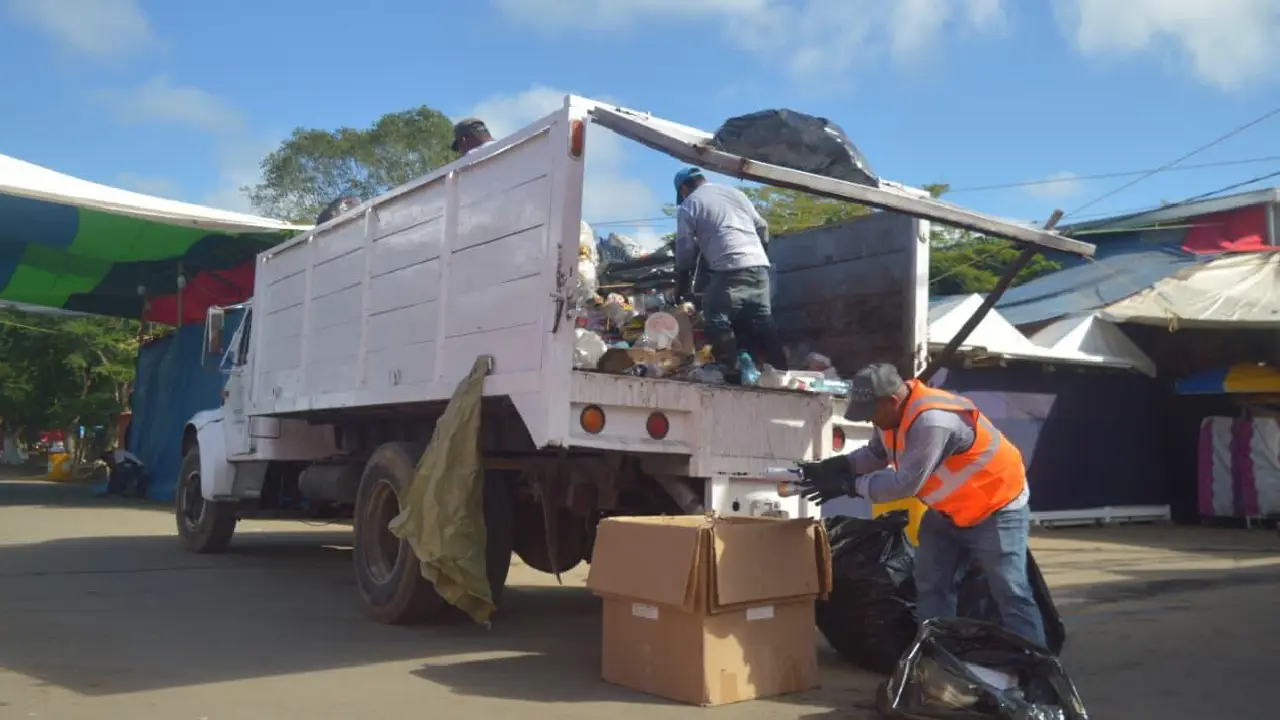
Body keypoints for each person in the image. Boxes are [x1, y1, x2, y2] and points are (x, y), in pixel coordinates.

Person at [797, 363, 1047, 648]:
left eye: (871, 414)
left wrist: (848, 486)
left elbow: (904, 484)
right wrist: (838, 466)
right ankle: (935, 655)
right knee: (931, 587)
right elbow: (875, 454)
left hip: (996, 509)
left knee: (1010, 592)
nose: (870, 422)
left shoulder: (932, 422)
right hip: (948, 512)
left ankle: (1036, 667)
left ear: (891, 400)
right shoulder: (891, 417)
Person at [673, 166, 787, 382]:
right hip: (759, 266)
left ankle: (731, 368)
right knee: (762, 319)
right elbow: (762, 226)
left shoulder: (690, 204)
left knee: (714, 314)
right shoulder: (736, 194)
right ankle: (781, 371)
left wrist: (682, 286)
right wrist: (758, 255)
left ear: (683, 189)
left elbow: (685, 250)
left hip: (730, 266)